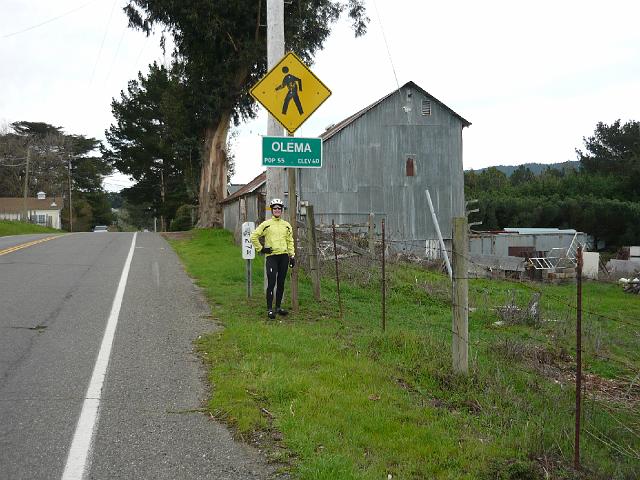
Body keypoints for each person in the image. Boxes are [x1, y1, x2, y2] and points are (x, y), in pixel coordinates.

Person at [250, 198, 296, 320]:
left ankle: (278, 307)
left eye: (279, 208)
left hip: (284, 257)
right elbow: (253, 236)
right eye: (274, 208)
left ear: (281, 210)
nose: (277, 210)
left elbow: (290, 241)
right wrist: (261, 249)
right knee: (271, 283)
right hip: (272, 257)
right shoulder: (266, 224)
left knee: (281, 283)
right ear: (271, 210)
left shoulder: (287, 225)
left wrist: (292, 256)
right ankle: (270, 309)